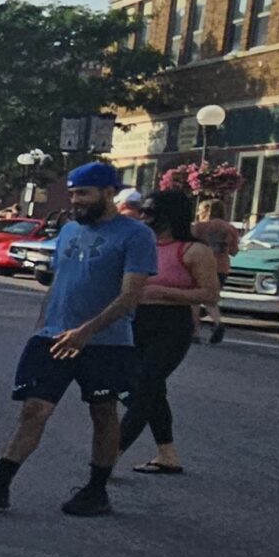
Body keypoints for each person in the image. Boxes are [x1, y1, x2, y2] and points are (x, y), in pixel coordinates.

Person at [0, 162, 156, 517]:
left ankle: (96, 490)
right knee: (34, 409)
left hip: (106, 343)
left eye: (84, 194)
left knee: (103, 412)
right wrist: (41, 328)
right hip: (53, 336)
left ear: (109, 193)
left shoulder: (136, 235)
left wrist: (85, 331)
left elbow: (131, 296)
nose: (76, 201)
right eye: (72, 194)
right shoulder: (70, 229)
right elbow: (61, 283)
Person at [121, 188, 224, 474]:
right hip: (137, 321)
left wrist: (163, 292)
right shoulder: (143, 244)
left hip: (172, 325)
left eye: (150, 212)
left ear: (169, 215)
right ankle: (167, 455)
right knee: (151, 389)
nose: (144, 217)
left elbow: (210, 294)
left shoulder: (194, 250)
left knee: (145, 387)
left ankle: (109, 455)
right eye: (142, 211)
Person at [194, 197, 242, 344]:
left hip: (201, 266)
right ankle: (217, 322)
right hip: (221, 268)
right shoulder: (230, 228)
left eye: (200, 210)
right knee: (211, 298)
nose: (198, 213)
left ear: (207, 211)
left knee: (194, 300)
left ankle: (195, 332)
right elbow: (234, 251)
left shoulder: (199, 227)